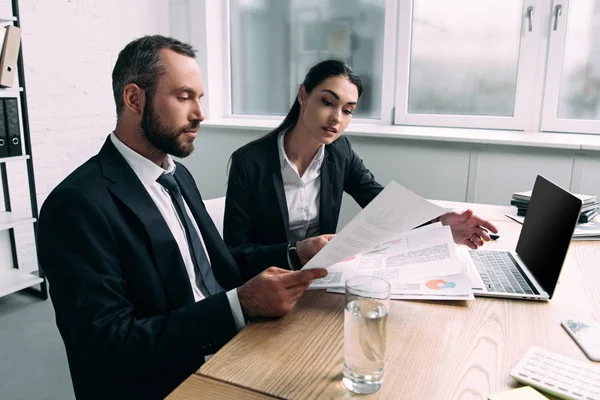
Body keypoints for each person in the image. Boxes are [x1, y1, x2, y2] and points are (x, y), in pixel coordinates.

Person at [36, 35, 327, 399]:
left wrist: (295, 252)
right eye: (183, 96)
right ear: (134, 99)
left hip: (234, 345)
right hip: (172, 380)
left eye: (199, 98)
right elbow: (108, 347)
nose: (199, 113)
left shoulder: (176, 175)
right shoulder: (75, 206)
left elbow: (213, 262)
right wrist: (241, 304)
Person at [224, 60, 498, 279]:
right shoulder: (249, 162)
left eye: (348, 110)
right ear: (303, 94)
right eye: (327, 102)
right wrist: (296, 252)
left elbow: (383, 204)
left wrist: (439, 222)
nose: (336, 118)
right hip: (270, 285)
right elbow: (235, 254)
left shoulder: (340, 152)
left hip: (319, 281)